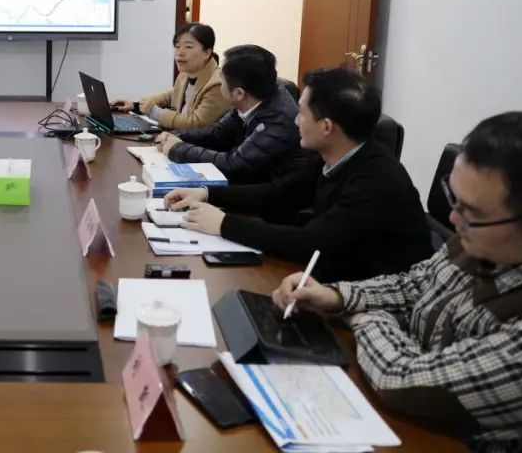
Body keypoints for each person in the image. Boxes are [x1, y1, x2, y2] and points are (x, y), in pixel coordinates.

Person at [272, 111, 522, 450]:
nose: (453, 218)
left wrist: (365, 315)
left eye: (472, 213)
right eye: (454, 200)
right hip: (407, 421)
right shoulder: (489, 241)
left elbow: (402, 379)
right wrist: (335, 295)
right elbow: (415, 284)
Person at [165, 67, 430, 281]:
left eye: (302, 113)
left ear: (326, 127)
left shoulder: (376, 181)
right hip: (335, 273)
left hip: (372, 296)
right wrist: (207, 193)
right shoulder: (331, 155)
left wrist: (224, 224)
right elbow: (278, 193)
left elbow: (312, 243)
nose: (295, 120)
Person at [156, 44, 313, 183]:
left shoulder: (278, 119)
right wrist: (177, 136)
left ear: (238, 93)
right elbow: (218, 133)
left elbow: (234, 165)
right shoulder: (253, 97)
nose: (219, 84)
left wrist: (178, 149)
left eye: (222, 81)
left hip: (271, 198)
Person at [113, 22, 227, 130]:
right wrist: (136, 106)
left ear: (206, 53)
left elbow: (196, 124)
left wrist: (154, 112)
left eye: (188, 47)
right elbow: (172, 96)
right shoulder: (185, 74)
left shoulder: (218, 84)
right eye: (177, 46)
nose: (180, 52)